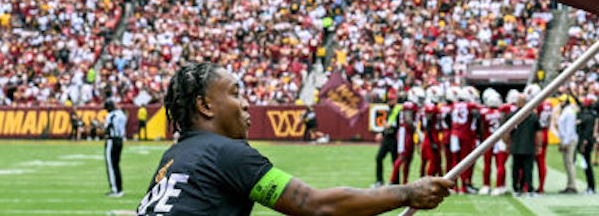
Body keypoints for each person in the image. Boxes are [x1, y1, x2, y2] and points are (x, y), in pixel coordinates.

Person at [140, 62, 450, 215]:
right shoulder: (228, 153)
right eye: (235, 94)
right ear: (205, 105)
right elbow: (315, 206)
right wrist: (407, 193)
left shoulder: (174, 155)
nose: (246, 103)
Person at [510, 91, 539, 195]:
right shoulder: (532, 115)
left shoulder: (513, 115)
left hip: (517, 146)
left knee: (516, 169)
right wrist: (538, 145)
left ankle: (516, 188)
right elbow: (538, 132)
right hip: (528, 146)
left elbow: (507, 133)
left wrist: (508, 144)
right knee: (528, 169)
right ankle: (528, 188)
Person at [557, 98, 581, 193]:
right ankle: (569, 184)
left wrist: (566, 142)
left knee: (569, 162)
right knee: (567, 163)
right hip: (567, 139)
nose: (560, 103)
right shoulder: (565, 112)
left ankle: (572, 185)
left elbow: (569, 129)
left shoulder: (569, 113)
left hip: (569, 140)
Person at [106, 99, 128, 197]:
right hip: (120, 140)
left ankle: (115, 189)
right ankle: (119, 188)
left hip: (112, 141)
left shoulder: (111, 115)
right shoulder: (121, 114)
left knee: (111, 166)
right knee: (116, 165)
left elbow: (107, 128)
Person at [576, 97, 598, 194]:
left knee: (587, 164)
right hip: (586, 141)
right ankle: (590, 186)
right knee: (586, 164)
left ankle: (591, 186)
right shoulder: (590, 115)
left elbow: (587, 131)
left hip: (585, 142)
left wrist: (583, 143)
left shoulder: (587, 116)